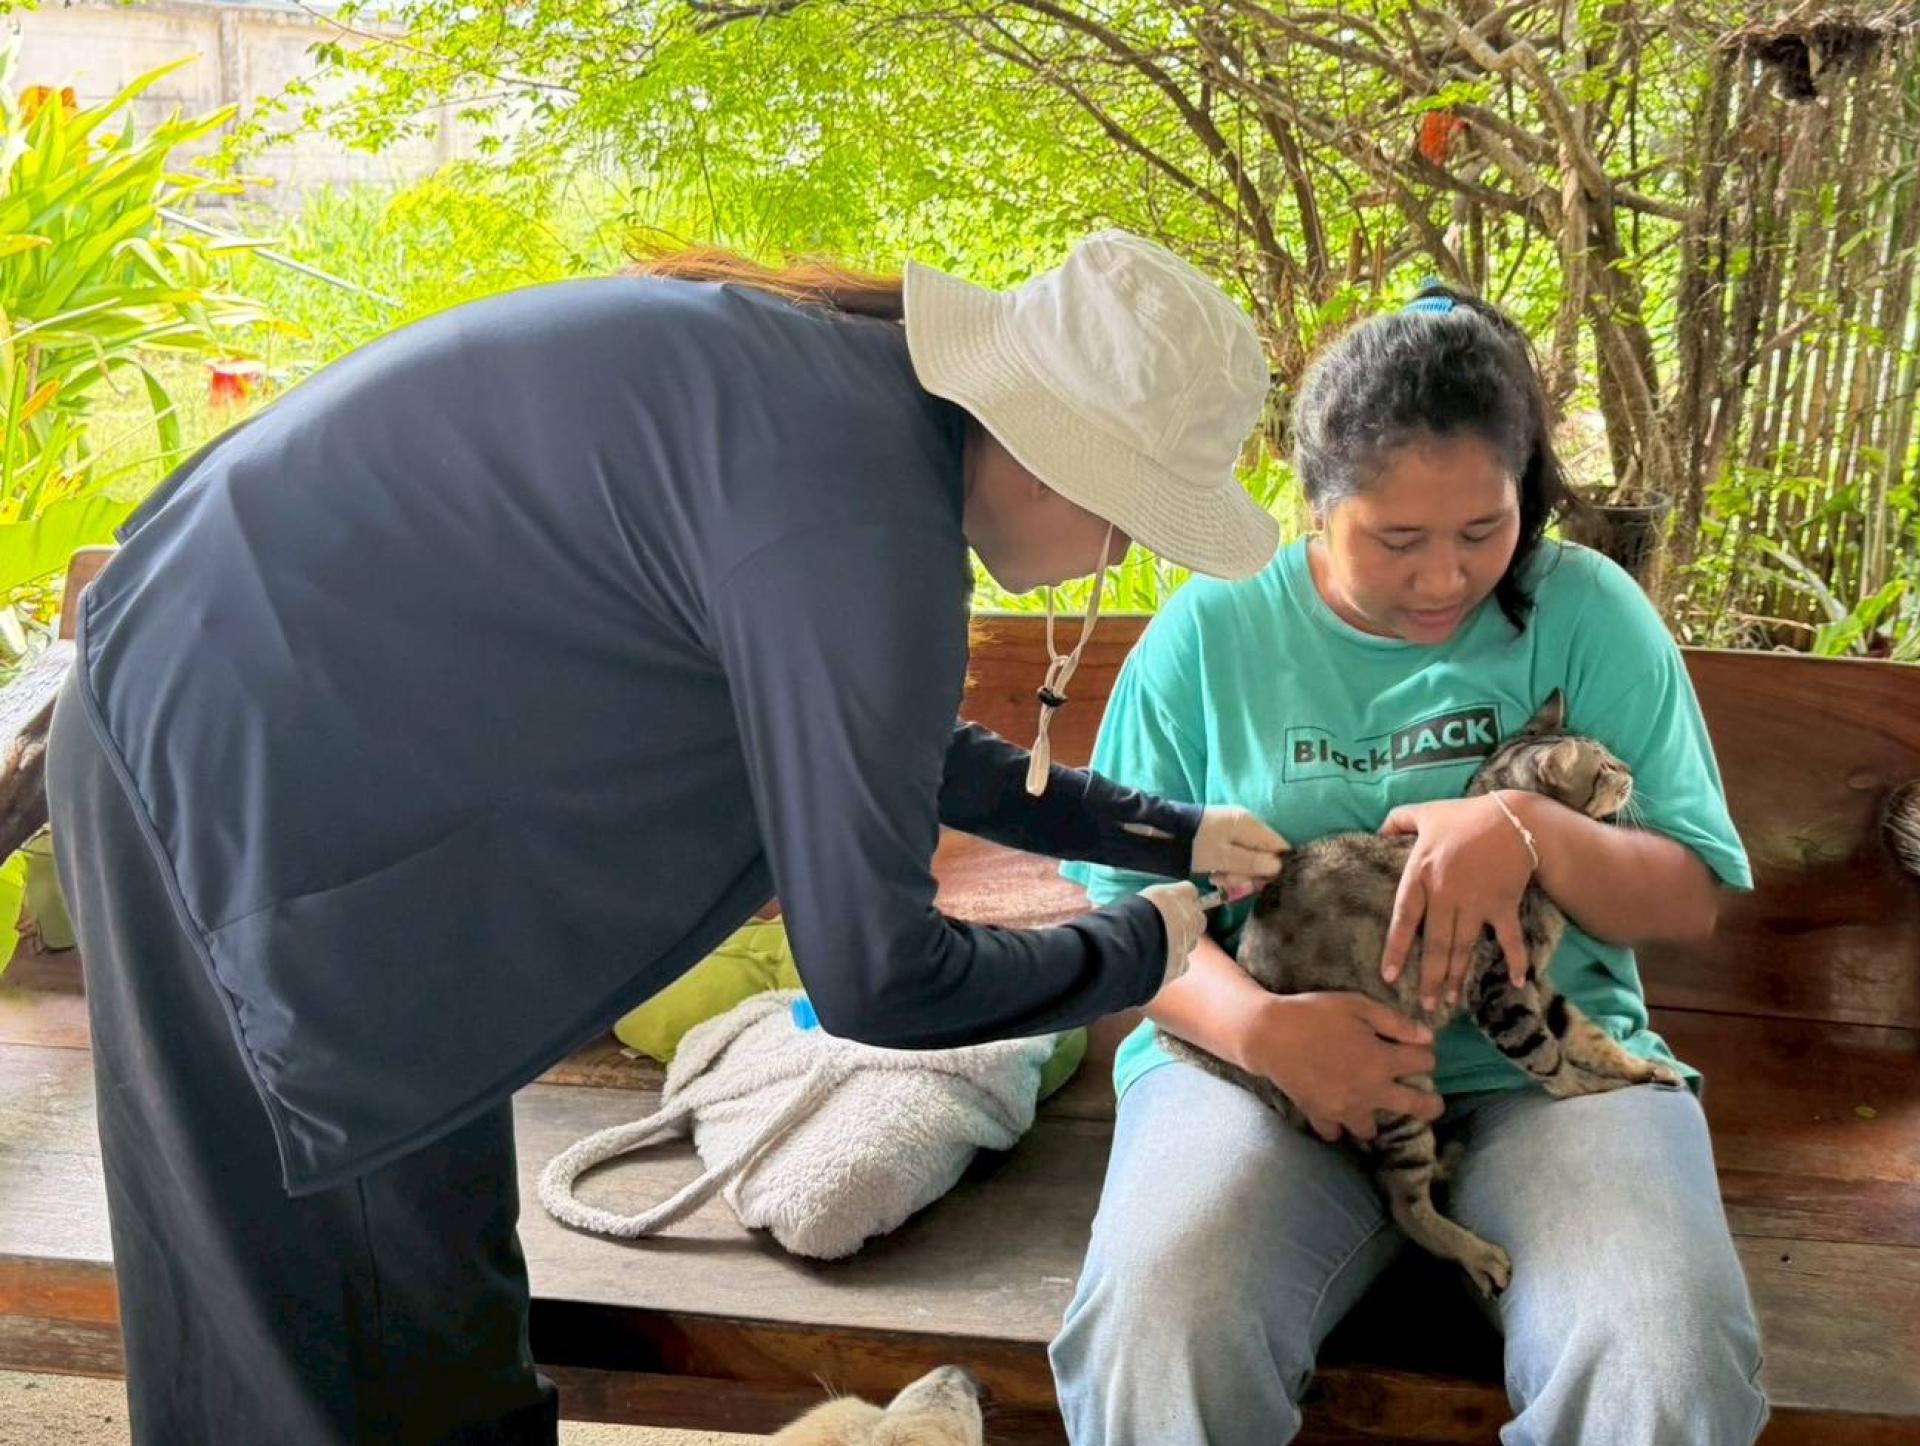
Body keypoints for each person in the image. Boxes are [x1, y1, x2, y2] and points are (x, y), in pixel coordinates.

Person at [45, 228, 1290, 1444]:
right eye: (1132, 520)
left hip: (243, 718)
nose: (1120, 553)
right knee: (355, 1349)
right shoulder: (855, 516)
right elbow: (882, 980)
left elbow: (881, 743)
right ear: (1053, 462)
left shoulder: (846, 414)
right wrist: (1145, 947)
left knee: (410, 1307)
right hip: (238, 781)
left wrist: (1167, 834)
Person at [1048, 285, 1769, 1446]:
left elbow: (1690, 896)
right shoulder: (1211, 633)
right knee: (1162, 1330)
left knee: (1665, 1354)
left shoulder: (1588, 611)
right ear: (1315, 505)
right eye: (1397, 541)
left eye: (1484, 532)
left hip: (1543, 1086)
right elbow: (1130, 918)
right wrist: (1262, 1033)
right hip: (1258, 1080)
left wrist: (1530, 832)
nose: (1445, 580)